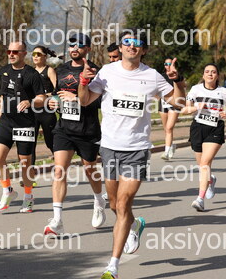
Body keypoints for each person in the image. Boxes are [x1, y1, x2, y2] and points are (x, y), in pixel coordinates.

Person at [77, 29, 185, 279]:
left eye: (137, 43)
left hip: (136, 149)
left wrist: (178, 81)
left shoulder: (152, 76)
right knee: (114, 204)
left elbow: (178, 102)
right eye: (127, 42)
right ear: (121, 46)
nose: (131, 46)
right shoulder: (107, 72)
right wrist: (83, 81)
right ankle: (134, 225)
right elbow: (85, 100)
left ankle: (112, 266)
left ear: (143, 50)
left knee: (124, 203)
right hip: (110, 147)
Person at [43, 33, 106, 236]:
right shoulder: (61, 69)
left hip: (87, 130)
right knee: (59, 170)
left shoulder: (96, 71)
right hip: (64, 129)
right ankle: (57, 220)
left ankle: (99, 200)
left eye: (79, 45)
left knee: (90, 169)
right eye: (71, 45)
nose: (74, 48)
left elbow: (100, 101)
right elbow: (57, 94)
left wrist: (76, 98)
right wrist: (53, 102)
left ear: (87, 49)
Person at [0, 41, 46, 213]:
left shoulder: (32, 74)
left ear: (24, 53)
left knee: (25, 162)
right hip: (7, 121)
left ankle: (28, 197)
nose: (11, 54)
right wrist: (0, 112)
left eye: (15, 51)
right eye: (9, 51)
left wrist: (30, 102)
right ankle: (7, 190)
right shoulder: (4, 71)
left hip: (25, 123)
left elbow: (42, 97)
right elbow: (4, 94)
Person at [183, 63, 226, 212]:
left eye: (213, 72)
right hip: (198, 128)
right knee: (202, 166)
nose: (210, 74)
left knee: (205, 163)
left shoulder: (223, 91)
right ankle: (210, 180)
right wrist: (197, 107)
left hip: (215, 128)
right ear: (203, 75)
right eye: (207, 72)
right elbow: (185, 109)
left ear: (217, 75)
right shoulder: (195, 89)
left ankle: (200, 199)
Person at [30, 46, 57, 186]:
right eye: (33, 54)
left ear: (45, 56)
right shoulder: (29, 71)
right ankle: (30, 177)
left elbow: (57, 90)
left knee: (50, 142)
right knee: (30, 144)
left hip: (47, 111)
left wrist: (44, 95)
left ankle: (60, 169)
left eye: (38, 54)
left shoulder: (49, 70)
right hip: (32, 112)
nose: (35, 56)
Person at [160, 57, 183, 161]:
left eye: (170, 64)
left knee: (169, 128)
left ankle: (166, 152)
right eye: (166, 64)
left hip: (174, 104)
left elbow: (183, 86)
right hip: (163, 103)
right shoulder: (160, 76)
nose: (167, 66)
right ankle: (171, 145)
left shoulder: (177, 76)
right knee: (166, 129)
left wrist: (177, 82)